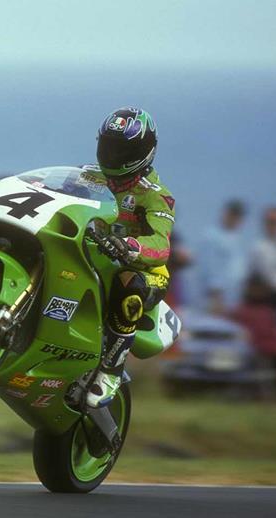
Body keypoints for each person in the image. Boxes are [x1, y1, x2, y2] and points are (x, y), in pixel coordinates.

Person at [84, 107, 175, 407]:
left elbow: (161, 244)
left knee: (129, 285)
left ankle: (110, 370)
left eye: (120, 149)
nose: (111, 154)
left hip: (144, 271)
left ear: (142, 152)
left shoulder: (155, 195)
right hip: (98, 256)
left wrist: (131, 246)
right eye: (107, 145)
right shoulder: (90, 175)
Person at [198, 200, 248, 314]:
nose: (235, 218)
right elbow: (209, 267)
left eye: (238, 215)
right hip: (216, 300)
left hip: (235, 299)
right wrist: (216, 296)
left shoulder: (238, 238)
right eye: (233, 214)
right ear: (225, 213)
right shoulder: (211, 236)